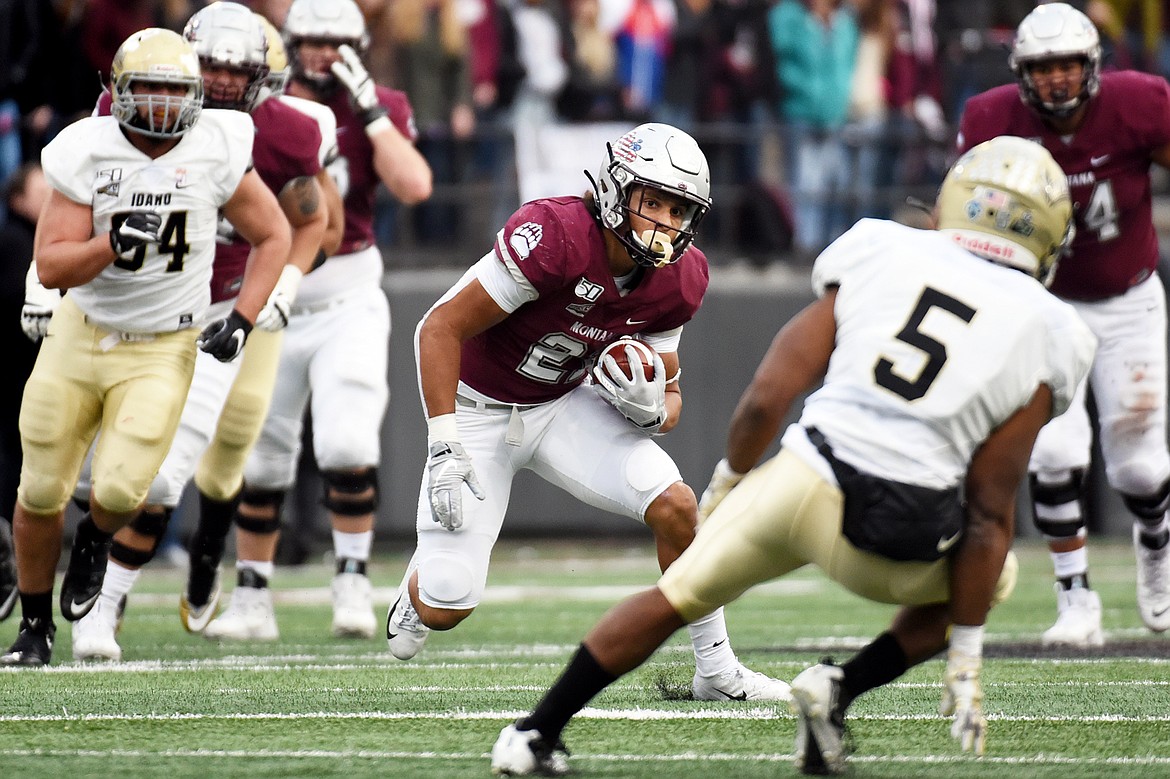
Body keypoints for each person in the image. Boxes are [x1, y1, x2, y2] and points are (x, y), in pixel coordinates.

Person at [485, 135, 1097, 776]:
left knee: (674, 598)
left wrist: (728, 482)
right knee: (996, 575)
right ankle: (843, 687)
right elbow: (990, 509)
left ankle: (533, 733)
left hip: (803, 480)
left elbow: (767, 398)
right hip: (900, 530)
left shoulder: (883, 248)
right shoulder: (1053, 329)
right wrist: (966, 653)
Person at [388, 122, 791, 704]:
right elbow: (439, 326)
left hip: (563, 405)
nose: (665, 225)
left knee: (677, 505)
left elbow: (672, 403)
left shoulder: (678, 280)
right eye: (653, 203)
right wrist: (445, 441)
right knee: (446, 602)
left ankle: (717, 669)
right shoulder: (555, 236)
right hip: (477, 410)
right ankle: (417, 588)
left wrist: (651, 411)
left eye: (681, 212)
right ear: (614, 188)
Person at [0, 27, 290, 667]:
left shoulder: (219, 144)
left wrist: (243, 317)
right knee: (41, 490)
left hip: (163, 344)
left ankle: (93, 542)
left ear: (194, 95)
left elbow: (274, 235)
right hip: (83, 334)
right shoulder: (85, 149)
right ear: (117, 91)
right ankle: (35, 627)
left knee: (129, 489)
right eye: (148, 87)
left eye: (172, 88)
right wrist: (110, 245)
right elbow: (50, 266)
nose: (160, 101)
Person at [65, 2, 335, 661]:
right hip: (136, 304)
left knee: (229, 449)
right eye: (208, 63)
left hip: (229, 307)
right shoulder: (127, 114)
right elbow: (70, 199)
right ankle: (105, 599)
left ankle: (206, 555)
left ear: (262, 78)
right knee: (135, 471)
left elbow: (314, 220)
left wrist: (285, 284)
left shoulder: (284, 133)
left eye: (233, 69)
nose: (216, 79)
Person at [201, 0, 432, 641]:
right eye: (310, 42)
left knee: (348, 443)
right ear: (288, 43)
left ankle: (353, 582)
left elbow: (414, 186)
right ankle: (251, 600)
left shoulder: (375, 103)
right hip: (263, 297)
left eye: (335, 44)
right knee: (264, 457)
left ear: (357, 45)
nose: (322, 56)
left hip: (347, 294)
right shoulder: (264, 103)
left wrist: (372, 111)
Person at [956, 2, 1170, 648]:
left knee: (1139, 468)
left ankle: (1157, 556)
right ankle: (1075, 596)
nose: (1056, 78)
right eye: (1044, 66)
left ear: (1092, 65)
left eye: (1068, 64)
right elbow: (965, 213)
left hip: (1128, 297)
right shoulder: (993, 120)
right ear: (1023, 72)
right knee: (1054, 450)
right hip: (1045, 305)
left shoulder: (1139, 104)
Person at [0, 162, 51, 624]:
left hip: (29, 374)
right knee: (19, 472)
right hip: (16, 374)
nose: (51, 194)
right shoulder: (16, 241)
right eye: (40, 189)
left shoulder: (49, 237)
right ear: (17, 198)